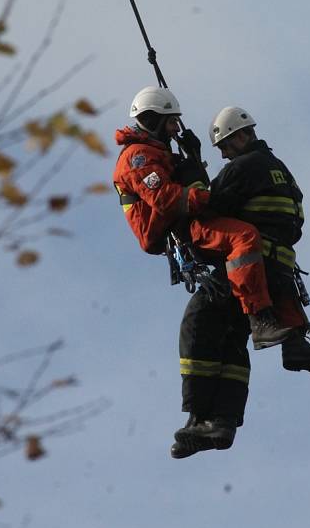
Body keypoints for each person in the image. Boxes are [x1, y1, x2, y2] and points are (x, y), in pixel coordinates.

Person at [171, 106, 310, 458]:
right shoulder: (280, 169)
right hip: (278, 267)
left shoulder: (244, 167)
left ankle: (199, 416)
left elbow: (208, 204)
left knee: (198, 324)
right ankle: (224, 421)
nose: (222, 154)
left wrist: (191, 169)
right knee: (233, 339)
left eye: (224, 146)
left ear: (240, 136)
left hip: (246, 268)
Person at [113, 87, 295, 350]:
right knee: (244, 236)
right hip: (173, 228)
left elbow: (190, 190)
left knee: (265, 249)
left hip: (185, 222)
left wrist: (193, 159)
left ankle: (290, 336)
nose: (176, 129)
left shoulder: (161, 155)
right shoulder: (137, 157)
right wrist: (212, 200)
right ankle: (260, 321)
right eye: (172, 121)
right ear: (153, 121)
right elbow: (166, 199)